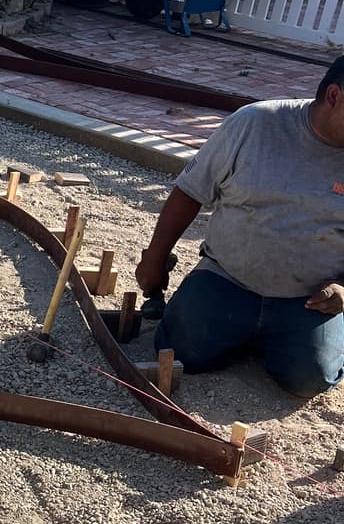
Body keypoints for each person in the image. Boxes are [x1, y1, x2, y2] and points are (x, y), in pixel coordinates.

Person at [134, 56, 344, 398]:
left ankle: (288, 338)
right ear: (334, 96)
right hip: (228, 279)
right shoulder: (255, 124)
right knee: (184, 351)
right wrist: (155, 259)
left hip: (308, 299)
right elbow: (189, 191)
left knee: (310, 378)